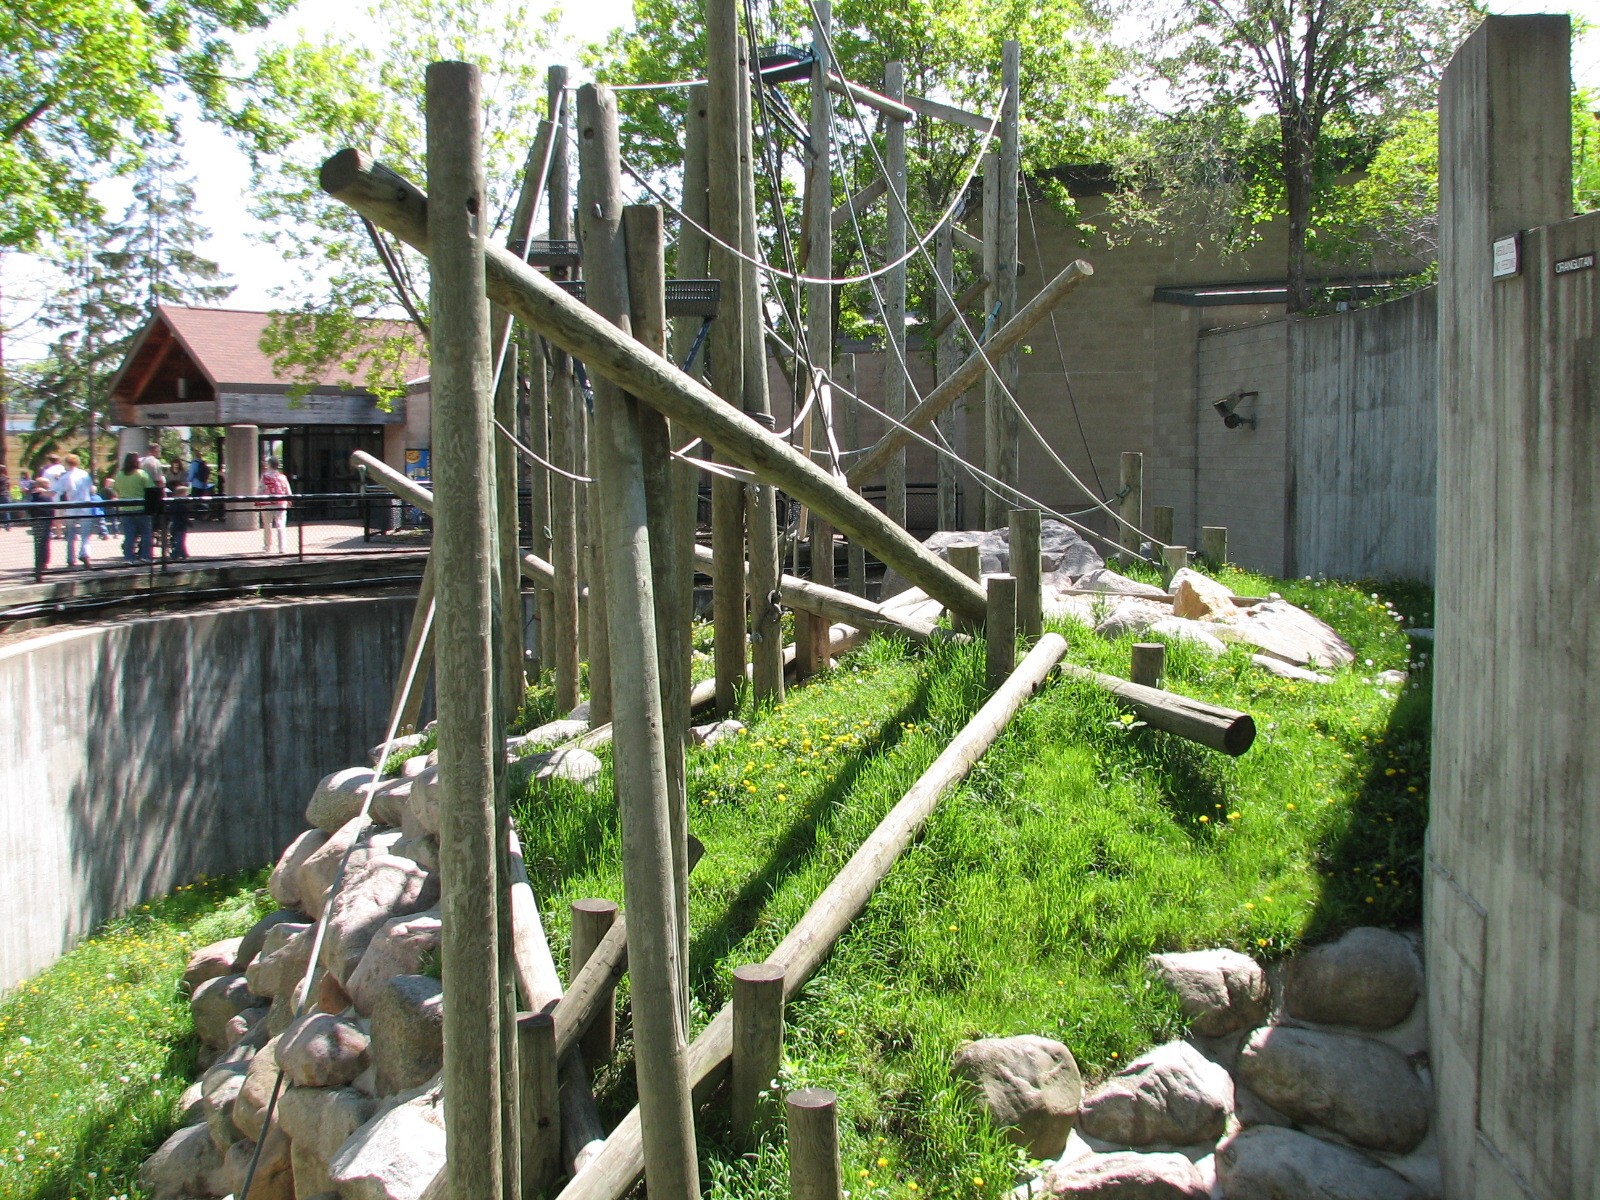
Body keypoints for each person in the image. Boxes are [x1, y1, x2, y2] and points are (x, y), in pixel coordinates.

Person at [52, 453, 96, 568]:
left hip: (71, 507)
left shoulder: (65, 477)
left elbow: (56, 491)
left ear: (66, 463)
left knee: (71, 534)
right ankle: (85, 554)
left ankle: (70, 558)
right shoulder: (85, 474)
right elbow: (92, 489)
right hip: (85, 506)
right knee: (85, 534)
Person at [113, 452, 153, 563]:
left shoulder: (119, 475)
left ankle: (128, 557)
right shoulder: (141, 474)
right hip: (141, 507)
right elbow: (151, 489)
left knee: (129, 534)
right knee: (146, 533)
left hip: (125, 508)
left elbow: (116, 489)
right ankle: (145, 556)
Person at [258, 457, 292, 553]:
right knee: (281, 525)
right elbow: (288, 491)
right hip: (281, 503)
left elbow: (260, 489)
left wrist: (257, 500)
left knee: (267, 525)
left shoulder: (264, 477)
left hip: (267, 503)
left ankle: (267, 546)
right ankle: (282, 547)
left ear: (269, 465)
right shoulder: (282, 477)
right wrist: (289, 500)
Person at [28, 475, 55, 582]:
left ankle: (40, 566)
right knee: (43, 543)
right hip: (44, 520)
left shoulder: (33, 495)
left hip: (38, 520)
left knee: (40, 544)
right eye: (47, 483)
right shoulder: (44, 495)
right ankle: (41, 565)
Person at [168, 483, 194, 561]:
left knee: (179, 539)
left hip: (174, 524)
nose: (187, 495)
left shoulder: (172, 503)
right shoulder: (182, 505)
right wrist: (189, 522)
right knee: (180, 540)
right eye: (185, 493)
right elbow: (184, 516)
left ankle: (184, 554)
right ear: (181, 494)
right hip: (181, 525)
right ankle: (175, 554)